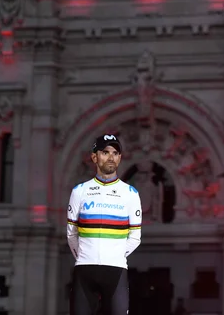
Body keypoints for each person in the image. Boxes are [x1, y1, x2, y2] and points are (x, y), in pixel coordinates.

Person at [67, 134, 142, 315]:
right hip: (84, 270)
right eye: (105, 152)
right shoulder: (79, 191)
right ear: (94, 157)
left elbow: (135, 237)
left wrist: (113, 254)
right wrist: (85, 255)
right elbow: (71, 234)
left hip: (116, 272)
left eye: (115, 153)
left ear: (120, 158)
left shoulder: (130, 193)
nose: (111, 157)